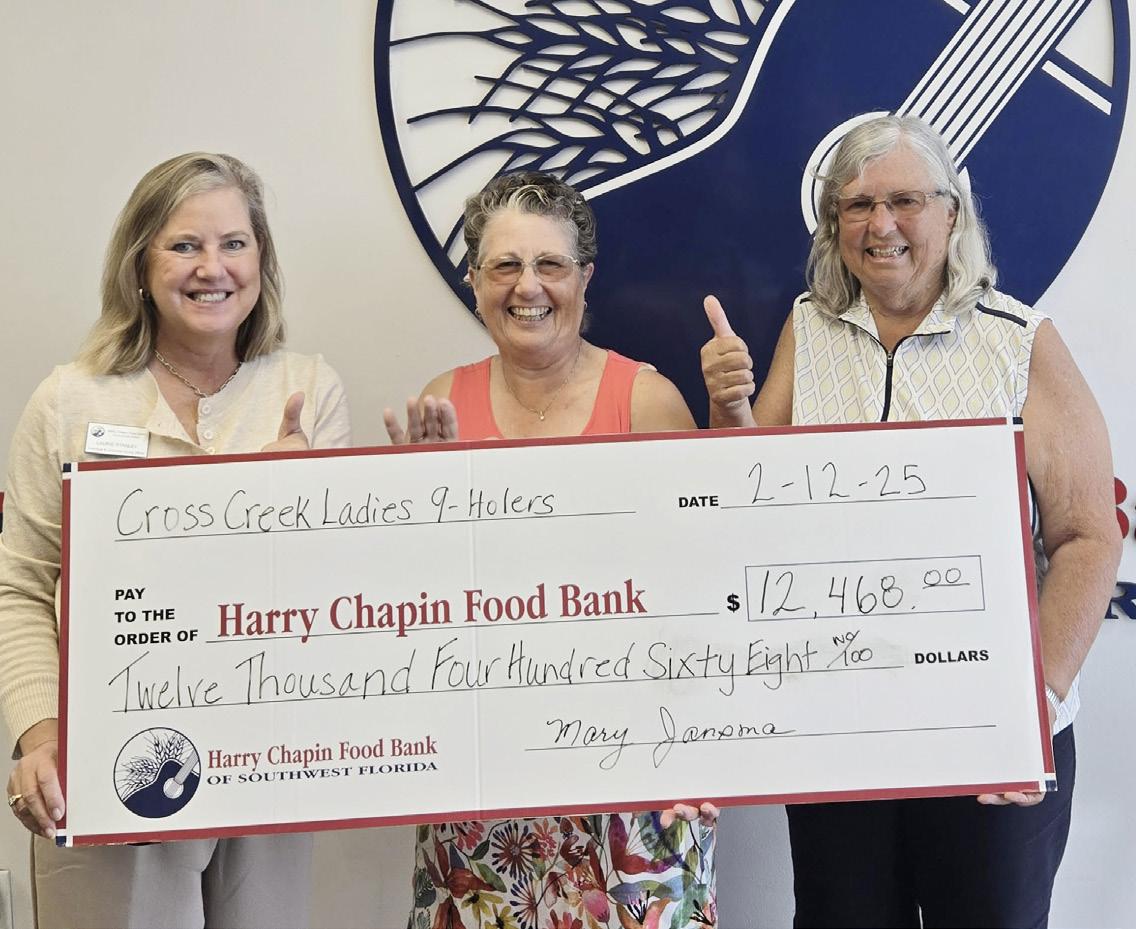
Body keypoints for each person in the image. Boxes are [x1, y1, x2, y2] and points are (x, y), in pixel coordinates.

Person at [700, 115, 1121, 927]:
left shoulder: (1019, 342)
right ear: (834, 225)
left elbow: (1088, 535)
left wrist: (1035, 699)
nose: (880, 224)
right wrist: (728, 404)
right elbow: (749, 496)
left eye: (904, 201)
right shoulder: (810, 327)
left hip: (990, 734)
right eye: (857, 205)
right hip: (843, 726)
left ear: (952, 213)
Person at [0, 152, 351, 928]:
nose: (211, 268)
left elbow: (332, 599)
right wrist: (43, 737)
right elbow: (19, 588)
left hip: (268, 762)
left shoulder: (306, 391)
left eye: (234, 244)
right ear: (140, 263)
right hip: (105, 765)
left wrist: (300, 509)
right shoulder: (68, 400)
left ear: (261, 260)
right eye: (184, 244)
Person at [385, 172, 718, 929]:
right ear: (475, 282)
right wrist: (412, 519)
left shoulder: (647, 400)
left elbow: (702, 596)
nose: (527, 286)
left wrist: (701, 747)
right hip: (484, 793)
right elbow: (412, 610)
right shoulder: (442, 401)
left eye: (550, 265)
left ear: (584, 278)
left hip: (636, 784)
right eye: (505, 265)